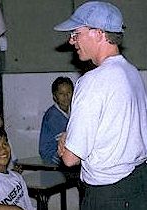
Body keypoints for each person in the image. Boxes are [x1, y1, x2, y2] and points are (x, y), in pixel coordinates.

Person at [55, 1, 147, 210]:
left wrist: (65, 141)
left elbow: (70, 158)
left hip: (108, 195)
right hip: (139, 184)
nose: (71, 41)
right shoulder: (132, 72)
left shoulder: (92, 81)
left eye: (76, 33)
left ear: (98, 33)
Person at [39, 76, 74, 165]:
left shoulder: (74, 111)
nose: (65, 96)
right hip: (51, 159)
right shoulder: (52, 116)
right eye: (61, 93)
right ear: (55, 96)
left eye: (68, 92)